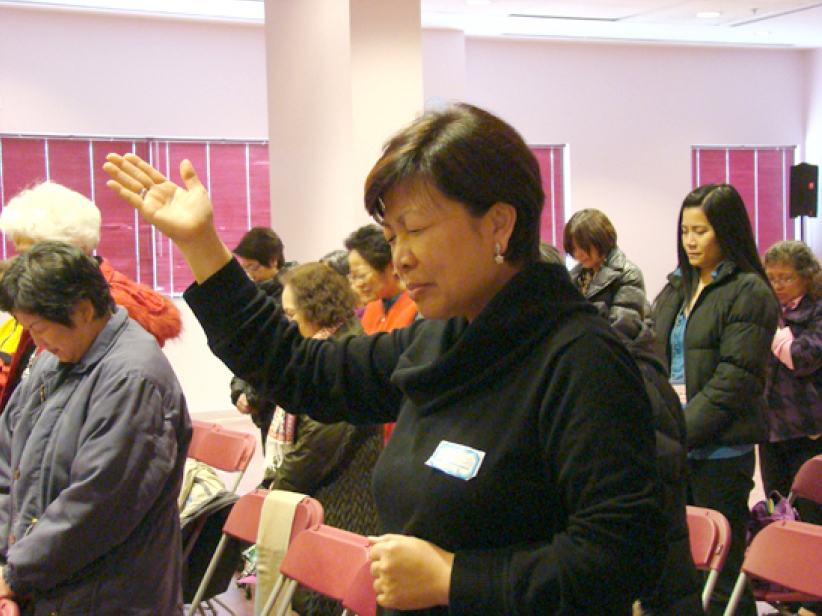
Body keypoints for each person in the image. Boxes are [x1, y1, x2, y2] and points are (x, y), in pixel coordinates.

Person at [104, 102, 667, 616]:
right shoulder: (445, 338)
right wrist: (202, 244)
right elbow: (299, 369)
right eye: (392, 234)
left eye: (416, 229)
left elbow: (619, 560)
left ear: (498, 223)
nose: (401, 256)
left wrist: (454, 577)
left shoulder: (579, 360)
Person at [0, 242, 191, 615]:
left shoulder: (133, 378)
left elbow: (98, 505)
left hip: (108, 596)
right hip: (45, 584)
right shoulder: (52, 360)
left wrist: (15, 574)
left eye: (39, 329)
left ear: (84, 310)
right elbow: (8, 462)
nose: (35, 342)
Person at [651, 183, 779, 616]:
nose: (690, 240)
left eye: (701, 231)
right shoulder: (674, 289)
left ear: (726, 231)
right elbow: (652, 358)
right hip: (676, 441)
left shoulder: (750, 291)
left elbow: (734, 381)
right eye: (685, 230)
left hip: (720, 448)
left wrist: (677, 433)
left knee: (722, 576)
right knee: (679, 567)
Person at [274, 262, 381, 616]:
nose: (287, 323)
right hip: (334, 496)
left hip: (343, 503)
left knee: (323, 602)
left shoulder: (341, 353)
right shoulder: (328, 344)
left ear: (315, 309)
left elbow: (315, 448)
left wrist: (275, 492)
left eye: (291, 314)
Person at [0, 181, 182, 348]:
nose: (21, 265)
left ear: (70, 249)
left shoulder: (107, 306)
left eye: (29, 255)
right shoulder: (48, 294)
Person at [761, 240, 822, 616]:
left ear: (806, 276)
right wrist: (780, 337)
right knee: (777, 512)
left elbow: (802, 358)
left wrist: (779, 337)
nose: (778, 284)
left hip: (809, 430)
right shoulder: (768, 312)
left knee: (812, 519)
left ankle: (815, 599)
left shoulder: (817, 311)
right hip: (769, 429)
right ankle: (783, 592)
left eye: (786, 277)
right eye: (772, 278)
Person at [229, 226, 297, 479]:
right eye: (244, 268)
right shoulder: (254, 295)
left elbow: (279, 356)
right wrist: (239, 391)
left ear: (273, 260)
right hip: (260, 399)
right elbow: (242, 349)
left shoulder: (291, 294)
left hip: (278, 401)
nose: (249, 275)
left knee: (282, 473)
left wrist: (254, 396)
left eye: (253, 268)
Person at [564, 208, 647, 327]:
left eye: (582, 247)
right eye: (573, 248)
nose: (577, 254)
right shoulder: (574, 276)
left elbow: (624, 327)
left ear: (601, 240)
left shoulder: (628, 274)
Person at [344, 224, 417, 334]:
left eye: (361, 275)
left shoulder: (417, 306)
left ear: (392, 267)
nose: (357, 285)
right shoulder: (373, 307)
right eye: (353, 277)